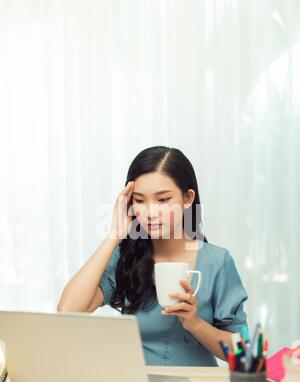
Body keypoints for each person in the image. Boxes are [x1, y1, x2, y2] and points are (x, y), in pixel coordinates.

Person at [57, 146, 248, 366]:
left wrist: (194, 323)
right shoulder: (125, 258)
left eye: (163, 200)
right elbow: (68, 309)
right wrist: (114, 235)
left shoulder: (216, 262)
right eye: (139, 201)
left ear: (188, 198)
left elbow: (242, 353)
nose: (150, 212)